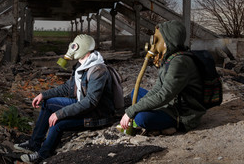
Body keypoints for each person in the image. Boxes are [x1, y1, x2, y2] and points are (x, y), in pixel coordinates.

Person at [14, 34, 115, 163]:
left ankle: (43, 154)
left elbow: (90, 102)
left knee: (58, 124)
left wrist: (60, 113)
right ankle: (34, 144)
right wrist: (43, 95)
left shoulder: (98, 70)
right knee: (48, 103)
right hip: (82, 103)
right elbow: (67, 88)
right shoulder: (81, 65)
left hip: (96, 115)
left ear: (82, 49)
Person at [120, 20, 207, 134]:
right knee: (136, 93)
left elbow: (164, 95)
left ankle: (172, 126)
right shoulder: (170, 58)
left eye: (157, 39)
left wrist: (132, 111)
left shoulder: (179, 62)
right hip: (170, 104)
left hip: (181, 114)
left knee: (141, 118)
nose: (154, 44)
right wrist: (135, 109)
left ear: (167, 41)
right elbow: (157, 88)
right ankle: (159, 124)